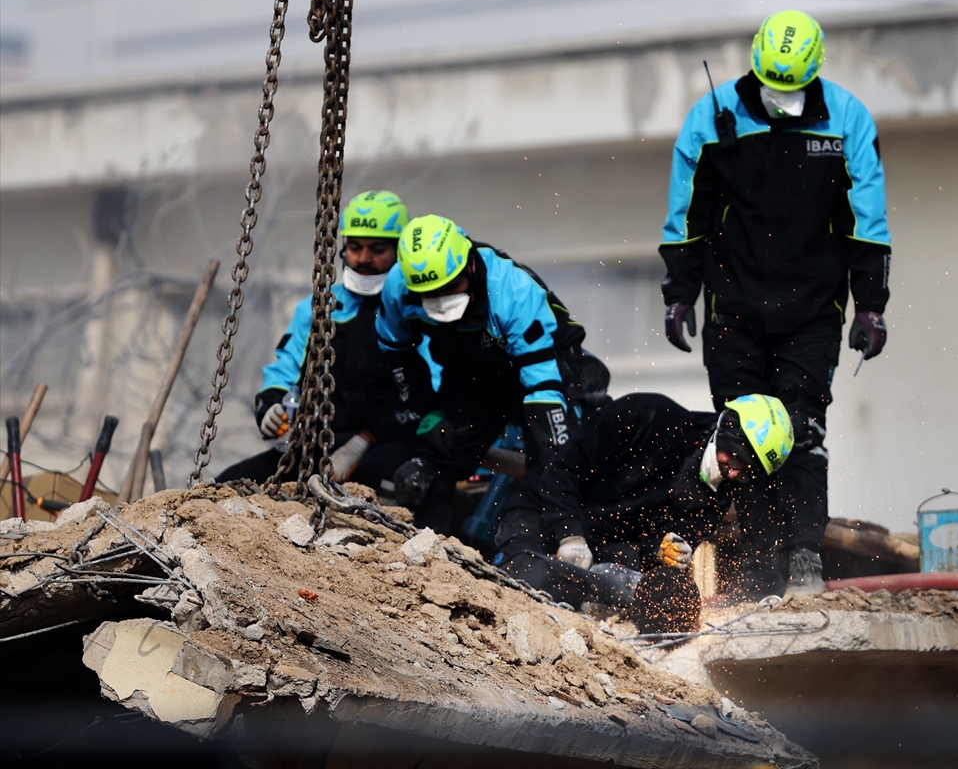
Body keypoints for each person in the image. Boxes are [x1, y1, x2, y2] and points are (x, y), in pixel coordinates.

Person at [658, 10, 892, 595]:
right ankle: (758, 569)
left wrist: (870, 304)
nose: (778, 96)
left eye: (791, 86)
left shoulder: (848, 120)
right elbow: (686, 216)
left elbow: (867, 220)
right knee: (742, 435)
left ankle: (805, 555)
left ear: (815, 71)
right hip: (733, 308)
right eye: (770, 83)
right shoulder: (711, 119)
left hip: (812, 312)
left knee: (802, 430)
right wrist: (680, 294)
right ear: (755, 62)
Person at [376, 214, 591, 534]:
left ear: (470, 265)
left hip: (547, 367)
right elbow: (396, 353)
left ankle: (553, 542)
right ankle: (429, 554)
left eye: (450, 288)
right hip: (473, 378)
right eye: (430, 295)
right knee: (419, 478)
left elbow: (543, 385)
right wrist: (429, 411)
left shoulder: (511, 290)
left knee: (556, 470)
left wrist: (555, 455)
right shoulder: (398, 288)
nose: (442, 302)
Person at [493, 392, 796, 609]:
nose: (734, 472)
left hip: (604, 545)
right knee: (521, 584)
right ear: (728, 428)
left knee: (630, 596)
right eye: (736, 457)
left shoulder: (714, 501)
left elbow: (651, 551)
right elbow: (561, 471)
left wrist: (662, 552)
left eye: (747, 471)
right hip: (542, 512)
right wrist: (570, 534)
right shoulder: (644, 416)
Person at [217, 191, 419, 492]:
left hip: (391, 440)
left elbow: (428, 393)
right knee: (228, 484)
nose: (364, 259)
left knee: (381, 482)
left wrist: (365, 440)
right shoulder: (318, 309)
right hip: (319, 441)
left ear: (398, 251)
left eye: (377, 250)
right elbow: (286, 367)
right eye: (355, 248)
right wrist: (271, 404)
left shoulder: (415, 310)